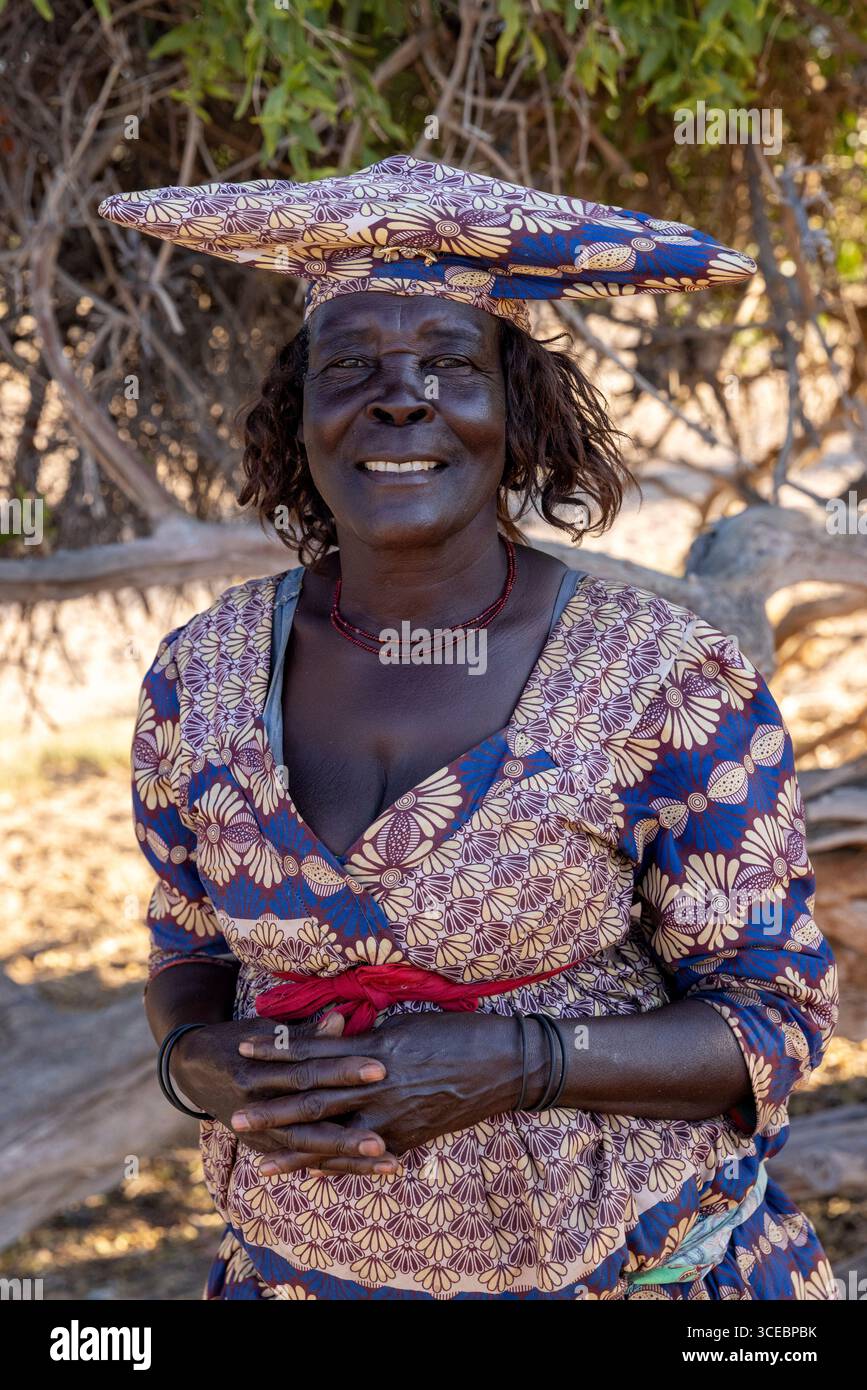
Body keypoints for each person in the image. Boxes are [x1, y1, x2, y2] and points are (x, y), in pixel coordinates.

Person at [104, 155, 838, 1300]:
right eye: (352, 366)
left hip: (644, 1275)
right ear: (300, 415)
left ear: (516, 412)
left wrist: (518, 1064)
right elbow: (190, 949)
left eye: (450, 363)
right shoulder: (200, 678)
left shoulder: (664, 680)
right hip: (297, 1274)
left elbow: (772, 1018)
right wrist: (196, 1062)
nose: (401, 397)